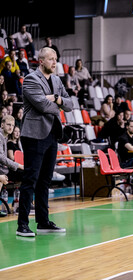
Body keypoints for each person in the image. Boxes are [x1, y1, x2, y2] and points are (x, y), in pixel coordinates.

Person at [17, 47, 73, 237]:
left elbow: (70, 104)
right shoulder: (31, 79)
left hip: (52, 134)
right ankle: (22, 224)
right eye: (50, 59)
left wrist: (55, 98)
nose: (54, 62)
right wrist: (58, 104)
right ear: (41, 61)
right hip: (34, 134)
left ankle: (43, 222)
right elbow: (41, 105)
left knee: (45, 181)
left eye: (56, 59)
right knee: (30, 179)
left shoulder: (57, 80)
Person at [0, 115, 23, 180]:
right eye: (8, 125)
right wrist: (19, 165)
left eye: (12, 125)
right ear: (2, 125)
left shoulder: (5, 137)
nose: (11, 128)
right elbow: (1, 157)